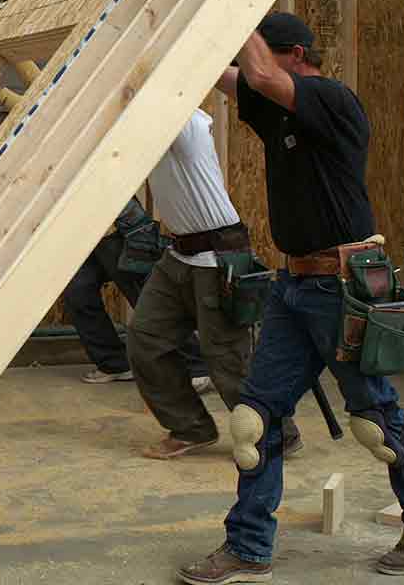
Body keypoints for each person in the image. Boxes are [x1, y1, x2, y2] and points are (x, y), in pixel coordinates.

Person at [178, 13, 404, 584]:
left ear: (297, 55)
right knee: (255, 421)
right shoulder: (274, 106)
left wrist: (236, 4)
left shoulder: (331, 100)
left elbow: (254, 72)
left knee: (375, 420)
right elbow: (233, 77)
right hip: (294, 286)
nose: (255, 73)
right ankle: (248, 547)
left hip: (342, 287)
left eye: (268, 60)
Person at [127, 109, 302, 461]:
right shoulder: (140, 124)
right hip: (178, 253)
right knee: (145, 338)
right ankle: (190, 427)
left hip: (217, 256)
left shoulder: (184, 121)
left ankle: (276, 433)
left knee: (226, 358)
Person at [64, 197, 212, 391]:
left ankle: (196, 365)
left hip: (124, 232)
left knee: (147, 300)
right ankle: (115, 364)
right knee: (77, 292)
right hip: (86, 237)